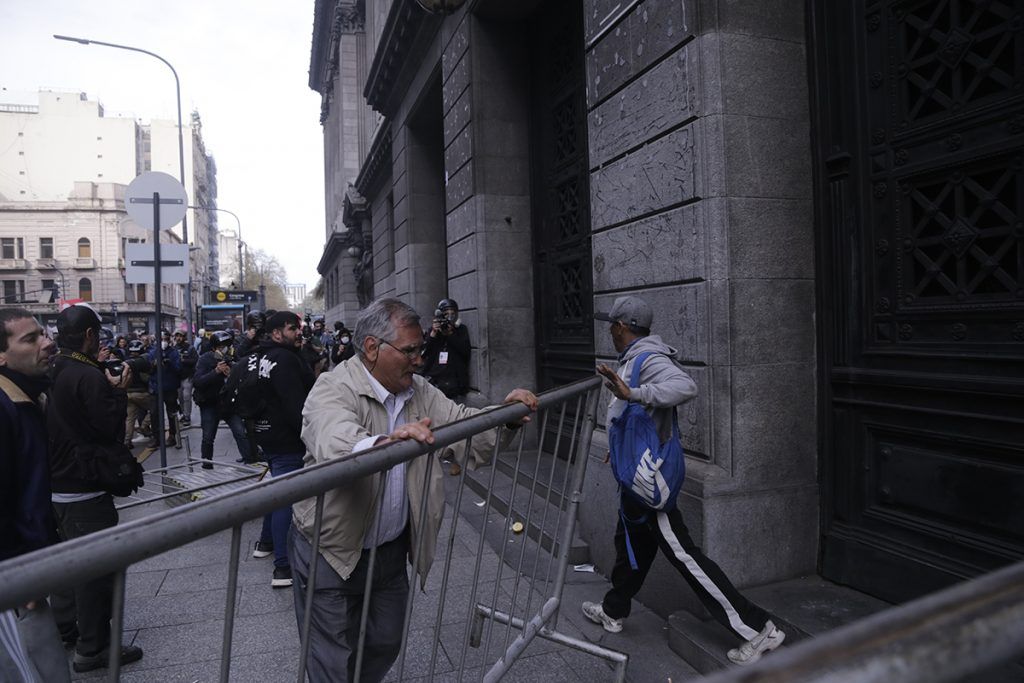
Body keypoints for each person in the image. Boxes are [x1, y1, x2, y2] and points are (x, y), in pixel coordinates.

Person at [289, 297, 538, 682]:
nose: (419, 359)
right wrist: (382, 446)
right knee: (330, 660)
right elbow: (331, 436)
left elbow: (463, 427)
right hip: (330, 550)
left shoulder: (420, 391)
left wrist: (506, 419)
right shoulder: (332, 387)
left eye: (421, 348)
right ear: (372, 348)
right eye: (410, 350)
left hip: (389, 553)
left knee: (386, 641)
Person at [581, 295, 785, 666]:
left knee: (685, 556)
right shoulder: (631, 359)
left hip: (649, 485)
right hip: (633, 480)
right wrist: (617, 443)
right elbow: (627, 416)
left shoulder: (649, 358)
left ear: (623, 326)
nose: (609, 330)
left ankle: (759, 629)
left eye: (611, 324)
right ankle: (614, 610)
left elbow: (685, 386)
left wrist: (635, 392)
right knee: (630, 547)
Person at [47, 303, 144, 673]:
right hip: (85, 488)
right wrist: (117, 391)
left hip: (56, 486)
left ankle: (66, 628)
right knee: (95, 572)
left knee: (65, 563)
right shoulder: (88, 376)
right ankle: (93, 648)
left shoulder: (54, 368)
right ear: (90, 335)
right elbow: (107, 430)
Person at [0, 309, 70, 682]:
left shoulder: (25, 397)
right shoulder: (6, 405)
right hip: (13, 581)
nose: (46, 343)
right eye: (30, 339)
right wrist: (18, 571)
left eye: (43, 334)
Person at [252, 312, 315, 588]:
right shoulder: (286, 359)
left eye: (298, 327)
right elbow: (295, 406)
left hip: (268, 433)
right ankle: (283, 566)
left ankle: (265, 542)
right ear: (277, 333)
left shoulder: (264, 356)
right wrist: (310, 436)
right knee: (287, 499)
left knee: (276, 488)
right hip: (288, 438)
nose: (298, 332)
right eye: (292, 329)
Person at [191, 331, 253, 469]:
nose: (224, 349)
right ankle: (207, 464)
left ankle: (250, 460)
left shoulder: (233, 358)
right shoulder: (205, 359)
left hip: (229, 404)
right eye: (220, 346)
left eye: (226, 345)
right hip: (210, 403)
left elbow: (245, 376)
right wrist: (216, 372)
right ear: (214, 348)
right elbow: (198, 381)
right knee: (208, 437)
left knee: (240, 433)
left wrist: (233, 372)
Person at [421, 298, 471, 402]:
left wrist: (450, 335)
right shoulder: (433, 331)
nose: (449, 317)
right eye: (446, 314)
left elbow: (465, 352)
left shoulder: (461, 330)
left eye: (452, 314)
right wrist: (433, 335)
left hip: (455, 383)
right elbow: (424, 353)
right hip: (436, 381)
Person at [146, 330, 181, 448]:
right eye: (162, 339)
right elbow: (147, 370)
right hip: (156, 387)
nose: (164, 342)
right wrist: (153, 365)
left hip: (170, 387)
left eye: (166, 339)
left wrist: (169, 363)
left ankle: (172, 435)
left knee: (172, 413)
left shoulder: (174, 353)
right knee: (154, 413)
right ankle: (157, 437)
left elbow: (178, 369)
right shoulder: (152, 353)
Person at [122, 340, 152, 447]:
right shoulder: (142, 362)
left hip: (128, 393)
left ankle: (126, 441)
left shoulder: (125, 361)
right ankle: (144, 425)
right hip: (141, 392)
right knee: (155, 407)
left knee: (130, 418)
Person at [173, 330, 197, 426]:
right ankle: (183, 414)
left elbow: (195, 360)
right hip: (177, 377)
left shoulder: (190, 348)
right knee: (180, 397)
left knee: (186, 396)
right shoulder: (174, 348)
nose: (178, 338)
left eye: (180, 336)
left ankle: (187, 416)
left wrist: (184, 360)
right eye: (177, 336)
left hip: (187, 376)